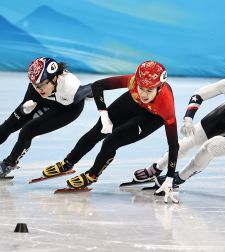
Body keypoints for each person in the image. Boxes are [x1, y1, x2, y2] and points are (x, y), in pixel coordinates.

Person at [43, 60, 180, 203]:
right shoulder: (133, 81)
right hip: (134, 102)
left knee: (111, 141)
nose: (144, 94)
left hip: (153, 116)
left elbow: (173, 145)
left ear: (160, 87)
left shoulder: (166, 105)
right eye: (141, 88)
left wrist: (170, 178)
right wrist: (103, 113)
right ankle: (68, 162)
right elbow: (97, 85)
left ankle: (92, 175)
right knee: (97, 131)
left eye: (149, 90)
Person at [133, 60, 225, 188]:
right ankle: (156, 167)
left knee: (208, 149)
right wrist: (188, 119)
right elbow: (198, 95)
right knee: (189, 140)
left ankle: (180, 178)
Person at [0, 57, 92, 177]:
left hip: (67, 109)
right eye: (34, 84)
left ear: (54, 78)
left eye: (41, 84)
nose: (38, 88)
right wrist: (23, 111)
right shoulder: (36, 88)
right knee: (10, 124)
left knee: (28, 131)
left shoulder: (71, 88)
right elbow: (22, 112)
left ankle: (9, 163)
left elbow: (94, 88)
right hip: (45, 101)